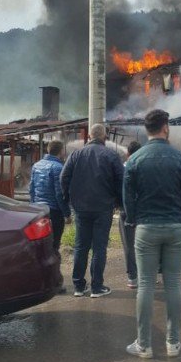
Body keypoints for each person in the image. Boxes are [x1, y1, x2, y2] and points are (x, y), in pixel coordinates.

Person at [123, 109, 181, 359]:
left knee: (145, 284)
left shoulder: (135, 159)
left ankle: (144, 345)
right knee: (173, 283)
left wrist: (133, 220)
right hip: (176, 226)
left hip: (146, 227)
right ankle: (173, 343)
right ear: (165, 128)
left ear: (147, 130)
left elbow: (127, 198)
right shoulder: (180, 158)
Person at [61, 124, 124, 298]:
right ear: (105, 137)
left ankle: (79, 286)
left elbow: (63, 177)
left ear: (89, 136)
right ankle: (97, 287)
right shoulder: (111, 155)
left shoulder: (76, 155)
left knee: (81, 246)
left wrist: (68, 198)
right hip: (103, 208)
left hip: (81, 208)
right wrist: (119, 202)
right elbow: (121, 180)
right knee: (99, 247)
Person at [29, 140, 69, 292]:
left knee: (40, 248)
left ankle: (38, 282)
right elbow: (59, 193)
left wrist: (33, 207)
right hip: (54, 212)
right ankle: (55, 283)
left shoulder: (36, 165)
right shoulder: (58, 167)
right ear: (61, 151)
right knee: (54, 247)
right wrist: (67, 213)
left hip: (38, 211)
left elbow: (31, 188)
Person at [118, 140, 142, 288]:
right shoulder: (146, 167)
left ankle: (133, 277)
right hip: (145, 211)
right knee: (145, 244)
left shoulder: (122, 168)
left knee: (129, 245)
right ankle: (147, 275)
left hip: (125, 211)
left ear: (127, 154)